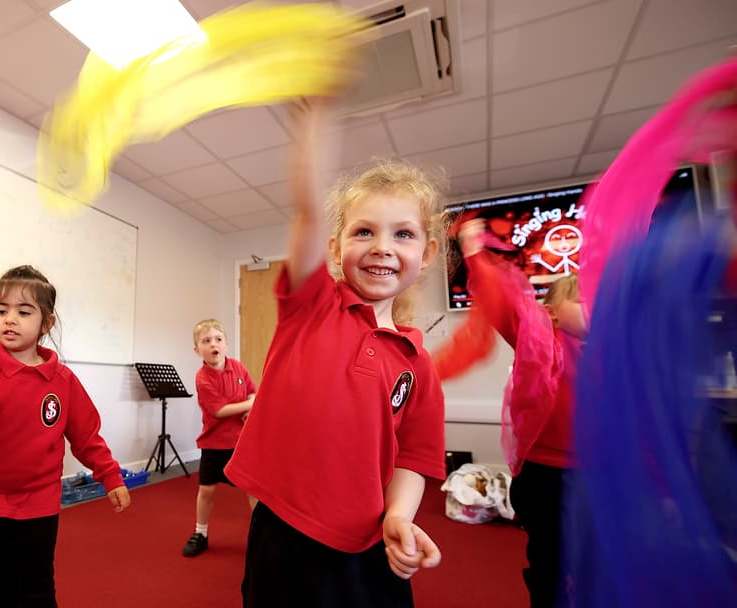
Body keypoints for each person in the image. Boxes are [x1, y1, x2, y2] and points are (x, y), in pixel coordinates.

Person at [224, 99, 447, 607]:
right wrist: (314, 129)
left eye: (403, 234)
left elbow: (414, 456)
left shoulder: (417, 362)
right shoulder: (312, 307)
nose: (381, 246)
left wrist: (399, 515)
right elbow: (305, 211)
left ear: (427, 254)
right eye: (363, 231)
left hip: (369, 543)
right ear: (334, 248)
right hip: (284, 532)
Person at [0, 265, 131, 608]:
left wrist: (110, 476)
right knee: (1, 591)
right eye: (1, 310)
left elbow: (86, 436)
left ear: (46, 323)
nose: (10, 319)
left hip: (39, 505)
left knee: (37, 591)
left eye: (24, 312)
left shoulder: (63, 381)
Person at [457, 218, 584, 608]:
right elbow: (507, 304)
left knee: (596, 555)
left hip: (598, 473)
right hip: (546, 473)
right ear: (553, 313)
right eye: (581, 299)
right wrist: (474, 253)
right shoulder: (545, 341)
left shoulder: (618, 349)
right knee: (549, 558)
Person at [181, 318, 257, 558]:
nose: (213, 344)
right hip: (213, 446)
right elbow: (219, 411)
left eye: (218, 339)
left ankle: (260, 535)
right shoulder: (202, 378)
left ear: (226, 344)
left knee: (253, 490)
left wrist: (249, 406)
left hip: (241, 443)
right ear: (197, 350)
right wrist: (250, 404)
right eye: (206, 341)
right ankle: (200, 533)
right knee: (207, 491)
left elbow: (252, 391)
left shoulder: (239, 368)